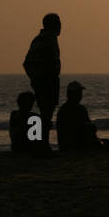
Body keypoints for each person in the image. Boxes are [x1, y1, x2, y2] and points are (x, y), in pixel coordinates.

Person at [23, 13, 62, 149]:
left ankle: (40, 144)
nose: (61, 26)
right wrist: (40, 79)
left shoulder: (41, 39)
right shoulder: (48, 39)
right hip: (47, 82)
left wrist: (34, 79)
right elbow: (29, 63)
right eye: (58, 23)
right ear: (52, 25)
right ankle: (42, 145)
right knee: (45, 116)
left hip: (44, 82)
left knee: (45, 114)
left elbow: (27, 63)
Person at [55, 81, 109, 151]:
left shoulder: (66, 109)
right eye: (78, 92)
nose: (80, 95)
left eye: (80, 92)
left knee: (108, 142)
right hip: (74, 144)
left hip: (67, 144)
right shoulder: (71, 110)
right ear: (72, 94)